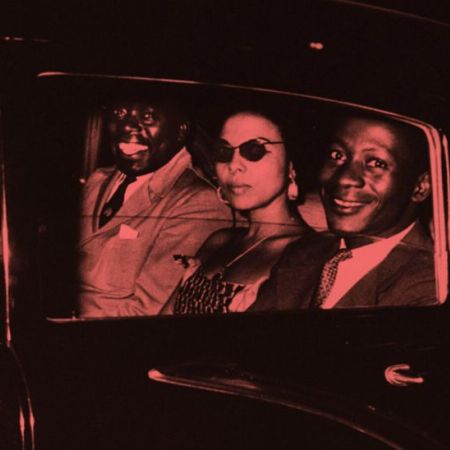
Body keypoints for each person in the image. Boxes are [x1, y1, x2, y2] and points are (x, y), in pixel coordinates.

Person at [251, 113, 438, 310]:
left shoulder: (431, 285)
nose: (343, 179)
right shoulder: (304, 251)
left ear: (420, 187)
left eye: (376, 163)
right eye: (337, 155)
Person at [78, 98, 232, 317]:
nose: (127, 126)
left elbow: (148, 313)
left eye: (148, 116)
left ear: (181, 131)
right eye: (120, 113)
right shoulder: (98, 180)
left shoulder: (199, 202)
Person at [161, 110, 312, 314]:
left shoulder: (306, 255)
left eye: (254, 151)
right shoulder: (219, 240)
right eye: (223, 152)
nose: (233, 165)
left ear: (291, 167)